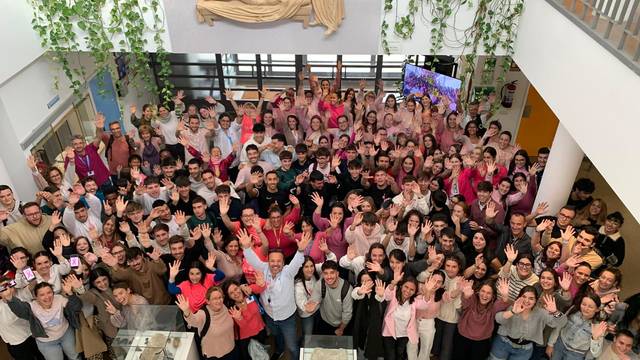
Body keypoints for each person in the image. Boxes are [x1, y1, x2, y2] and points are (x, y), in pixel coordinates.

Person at [238, 225, 311, 360]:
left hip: (287, 318)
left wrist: (301, 251)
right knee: (276, 336)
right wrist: (247, 248)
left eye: (279, 261)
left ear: (283, 262)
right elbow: (252, 260)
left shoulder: (288, 272)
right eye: (272, 260)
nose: (275, 264)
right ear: (268, 261)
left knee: (293, 347)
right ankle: (279, 350)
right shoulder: (263, 268)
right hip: (270, 316)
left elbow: (296, 262)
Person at [4, 279, 83, 360]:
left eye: (49, 292)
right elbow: (20, 310)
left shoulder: (59, 299)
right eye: (42, 295)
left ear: (53, 292)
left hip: (66, 334)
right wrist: (10, 298)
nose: (47, 297)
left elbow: (76, 307)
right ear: (36, 297)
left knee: (75, 357)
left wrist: (70, 293)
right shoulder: (32, 306)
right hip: (46, 342)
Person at [490, 286, 566, 360]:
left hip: (524, 350)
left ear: (536, 300)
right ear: (519, 297)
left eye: (531, 298)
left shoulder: (541, 313)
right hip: (503, 343)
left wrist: (555, 312)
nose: (526, 301)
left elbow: (561, 323)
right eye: (524, 297)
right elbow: (498, 319)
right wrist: (512, 312)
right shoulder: (513, 307)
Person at [175, 287, 237, 360]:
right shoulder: (203, 314)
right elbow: (193, 321)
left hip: (231, 350)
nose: (219, 301)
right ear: (208, 301)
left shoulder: (224, 307)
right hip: (214, 355)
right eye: (215, 298)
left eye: (220, 297)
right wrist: (186, 311)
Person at [306, 260, 353, 336]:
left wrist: (341, 329)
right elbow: (315, 300)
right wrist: (312, 306)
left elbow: (347, 313)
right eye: (326, 273)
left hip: (342, 324)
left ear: (337, 274)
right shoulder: (320, 284)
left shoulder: (346, 289)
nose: (329, 277)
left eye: (332, 273)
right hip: (325, 321)